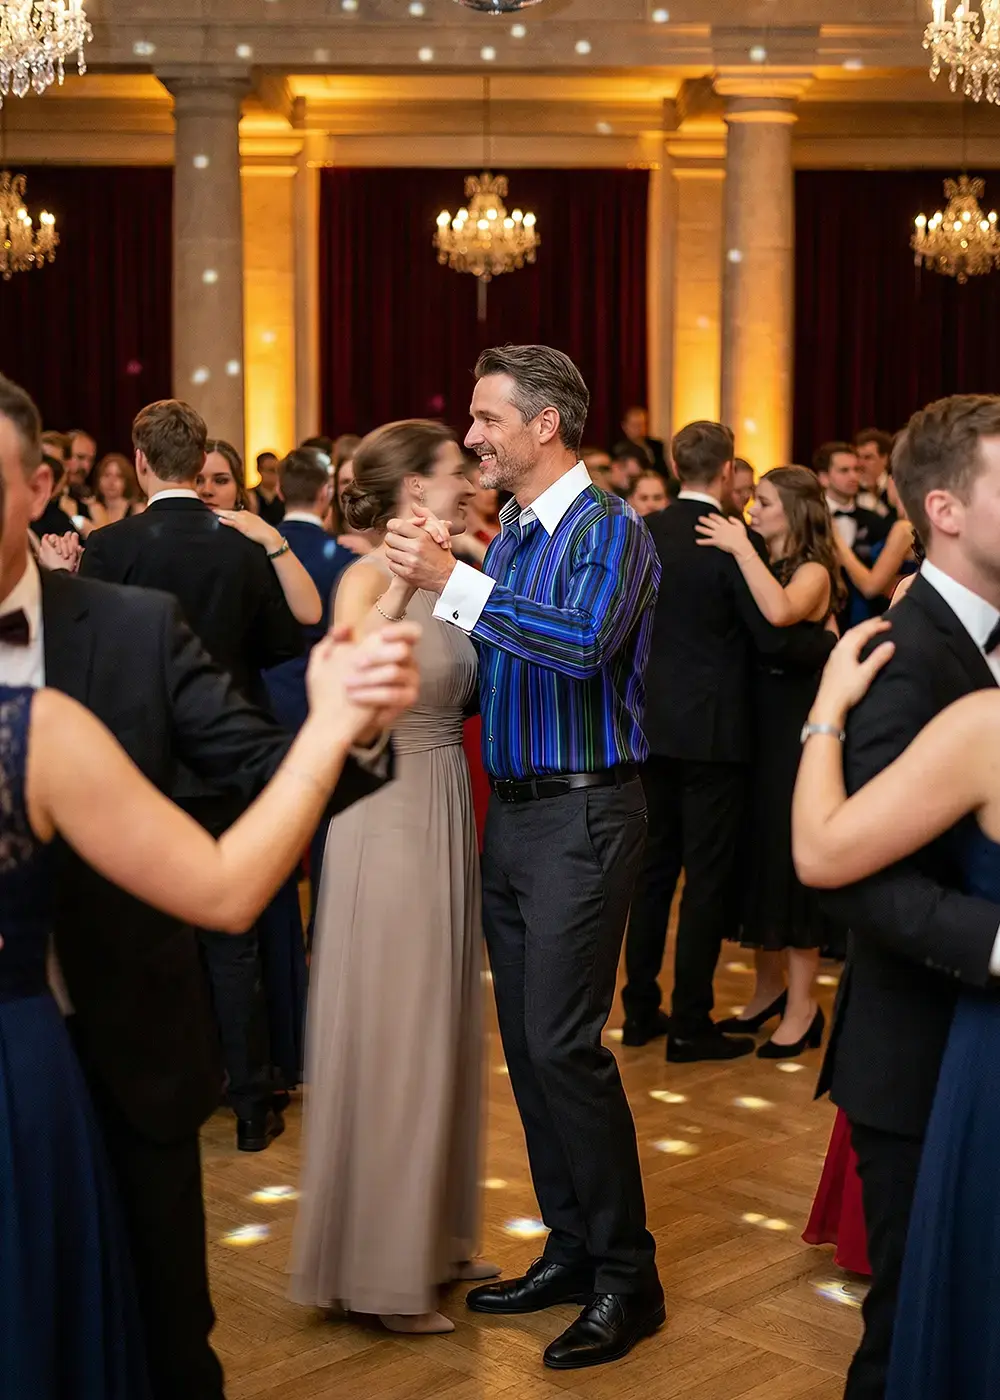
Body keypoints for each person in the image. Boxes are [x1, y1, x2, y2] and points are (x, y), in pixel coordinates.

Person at [0, 370, 417, 1400]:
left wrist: (349, 722)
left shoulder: (131, 625)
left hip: (125, 1044)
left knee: (167, 1344)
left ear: (36, 486)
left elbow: (257, 759)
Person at [385, 344, 664, 1370]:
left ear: (544, 423)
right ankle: (575, 1244)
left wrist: (454, 578)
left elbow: (584, 643)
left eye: (485, 417)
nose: (471, 435)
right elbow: (488, 670)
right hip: (515, 817)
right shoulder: (508, 543)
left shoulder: (614, 530)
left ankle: (629, 1275)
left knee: (563, 1045)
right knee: (535, 1048)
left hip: (586, 817)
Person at [802, 394, 1000, 1400]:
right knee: (904, 1337)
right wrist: (996, 941)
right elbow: (859, 877)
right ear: (945, 508)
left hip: (972, 1056)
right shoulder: (894, 651)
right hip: (919, 1056)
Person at [289, 418, 492, 1335]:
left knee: (441, 1022)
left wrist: (454, 575)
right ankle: (379, 1271)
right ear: (416, 488)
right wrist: (408, 585)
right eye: (455, 471)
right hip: (388, 810)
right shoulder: (369, 574)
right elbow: (345, 682)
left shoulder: (456, 574)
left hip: (446, 802)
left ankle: (437, 1240)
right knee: (397, 1028)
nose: (470, 481)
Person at [623, 425, 836, 1061]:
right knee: (706, 884)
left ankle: (638, 1013)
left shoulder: (646, 534)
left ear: (672, 464)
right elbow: (771, 638)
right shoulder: (729, 544)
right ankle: (689, 1023)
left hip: (650, 730)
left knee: (652, 877)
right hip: (715, 736)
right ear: (724, 476)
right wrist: (830, 643)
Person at [695, 466, 843, 1055]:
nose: (755, 510)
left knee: (787, 864)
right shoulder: (764, 560)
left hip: (795, 739)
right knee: (757, 860)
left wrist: (737, 546)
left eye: (768, 503)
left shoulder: (812, 572)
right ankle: (768, 991)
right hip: (755, 730)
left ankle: (805, 1009)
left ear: (798, 512)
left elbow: (782, 613)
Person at [196, 438, 323, 632]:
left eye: (220, 480)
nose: (207, 490)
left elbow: (310, 613)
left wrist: (272, 538)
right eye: (198, 480)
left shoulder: (257, 541)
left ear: (239, 490)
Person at [815, 441, 893, 631]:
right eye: (844, 470)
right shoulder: (810, 518)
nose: (853, 476)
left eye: (856, 469)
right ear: (824, 478)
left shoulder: (876, 520)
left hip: (865, 618)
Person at [835, 472, 916, 604]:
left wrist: (837, 540)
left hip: (885, 608)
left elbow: (870, 588)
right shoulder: (909, 524)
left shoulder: (904, 529)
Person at [88, 452, 145, 527]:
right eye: (107, 475)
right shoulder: (91, 508)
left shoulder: (137, 511)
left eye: (118, 476)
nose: (111, 482)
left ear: (126, 482)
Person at [613, 404, 667, 476]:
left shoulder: (656, 445)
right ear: (624, 426)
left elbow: (664, 471)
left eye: (642, 424)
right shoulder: (618, 448)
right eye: (634, 425)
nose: (639, 429)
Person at [854, 428, 896, 519]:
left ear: (885, 458)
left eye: (868, 457)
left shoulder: (897, 487)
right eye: (858, 457)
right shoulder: (852, 490)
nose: (860, 464)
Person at [251, 449, 285, 526]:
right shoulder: (251, 496)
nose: (275, 475)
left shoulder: (284, 496)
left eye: (278, 470)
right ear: (260, 470)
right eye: (271, 470)